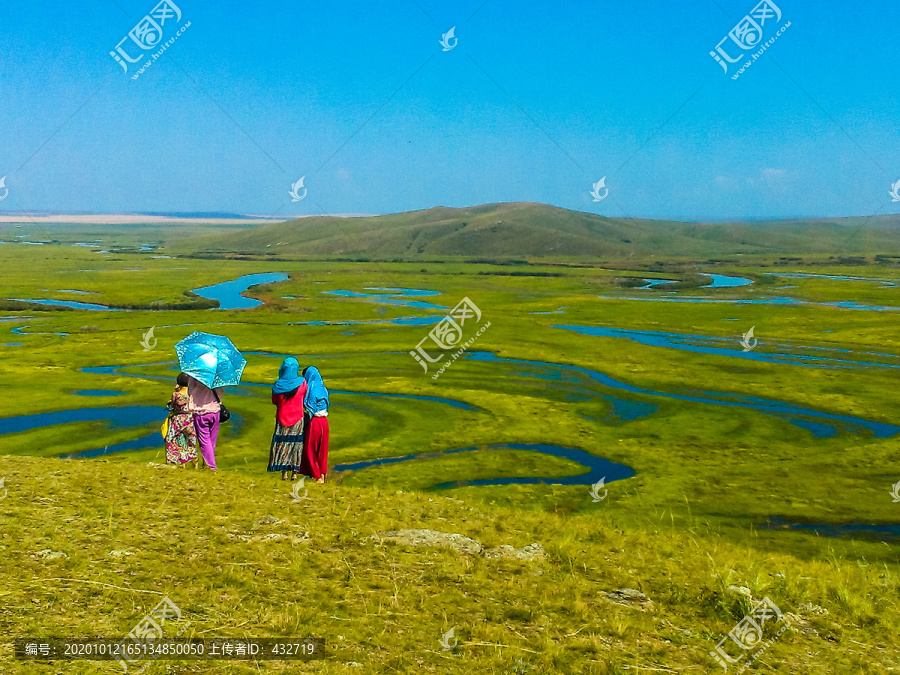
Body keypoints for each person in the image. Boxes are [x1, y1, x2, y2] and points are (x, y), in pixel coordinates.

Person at [269, 357, 308, 481]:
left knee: (283, 444)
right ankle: (295, 472)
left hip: (282, 419)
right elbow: (305, 396)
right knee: (296, 445)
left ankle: (284, 473)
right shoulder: (302, 384)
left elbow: (275, 401)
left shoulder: (278, 385)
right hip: (298, 418)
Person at [300, 365, 330, 484]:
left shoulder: (311, 390)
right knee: (322, 449)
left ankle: (317, 476)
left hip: (315, 422)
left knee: (310, 449)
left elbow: (310, 407)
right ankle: (322, 474)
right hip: (324, 422)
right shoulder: (324, 389)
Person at [188, 375, 223, 472]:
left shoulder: (196, 372)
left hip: (201, 411)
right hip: (215, 410)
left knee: (204, 441)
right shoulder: (220, 374)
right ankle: (207, 464)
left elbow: (190, 391)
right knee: (212, 441)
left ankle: (211, 467)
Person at [164, 373, 198, 466]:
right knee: (190, 442)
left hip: (178, 420)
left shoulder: (176, 394)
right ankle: (194, 463)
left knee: (172, 440)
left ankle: (177, 461)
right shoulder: (193, 394)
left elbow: (173, 406)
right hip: (190, 419)